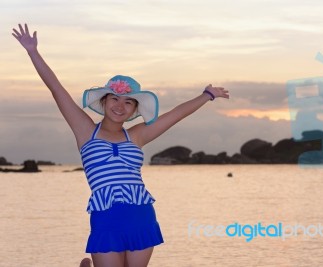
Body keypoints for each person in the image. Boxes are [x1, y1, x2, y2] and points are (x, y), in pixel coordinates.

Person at [12, 23, 229, 267]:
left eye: (128, 102)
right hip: (105, 219)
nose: (119, 106)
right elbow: (57, 90)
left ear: (134, 110)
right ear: (104, 102)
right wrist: (33, 52)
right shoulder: (86, 131)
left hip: (141, 216)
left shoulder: (137, 135)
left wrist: (207, 95)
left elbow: (175, 115)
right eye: (114, 99)